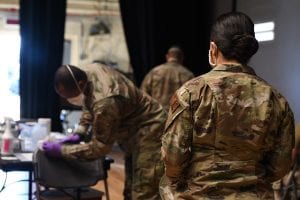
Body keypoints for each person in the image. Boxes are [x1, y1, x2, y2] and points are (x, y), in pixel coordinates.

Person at [159, 12, 295, 199]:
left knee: (165, 184)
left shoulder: (192, 92)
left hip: (199, 195)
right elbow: (280, 166)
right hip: (256, 196)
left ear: (213, 49)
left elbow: (172, 159)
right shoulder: (277, 99)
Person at [42, 63, 166, 200]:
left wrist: (61, 151)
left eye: (70, 95)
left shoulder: (105, 103)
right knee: (131, 188)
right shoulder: (88, 70)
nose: (69, 100)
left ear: (80, 83)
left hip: (151, 129)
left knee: (144, 191)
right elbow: (88, 103)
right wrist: (80, 131)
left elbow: (100, 148)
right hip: (133, 131)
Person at [140, 46, 194, 110]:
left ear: (167, 56)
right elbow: (193, 98)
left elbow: (143, 94)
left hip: (157, 113)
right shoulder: (188, 75)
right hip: (177, 114)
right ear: (182, 58)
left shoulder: (154, 72)